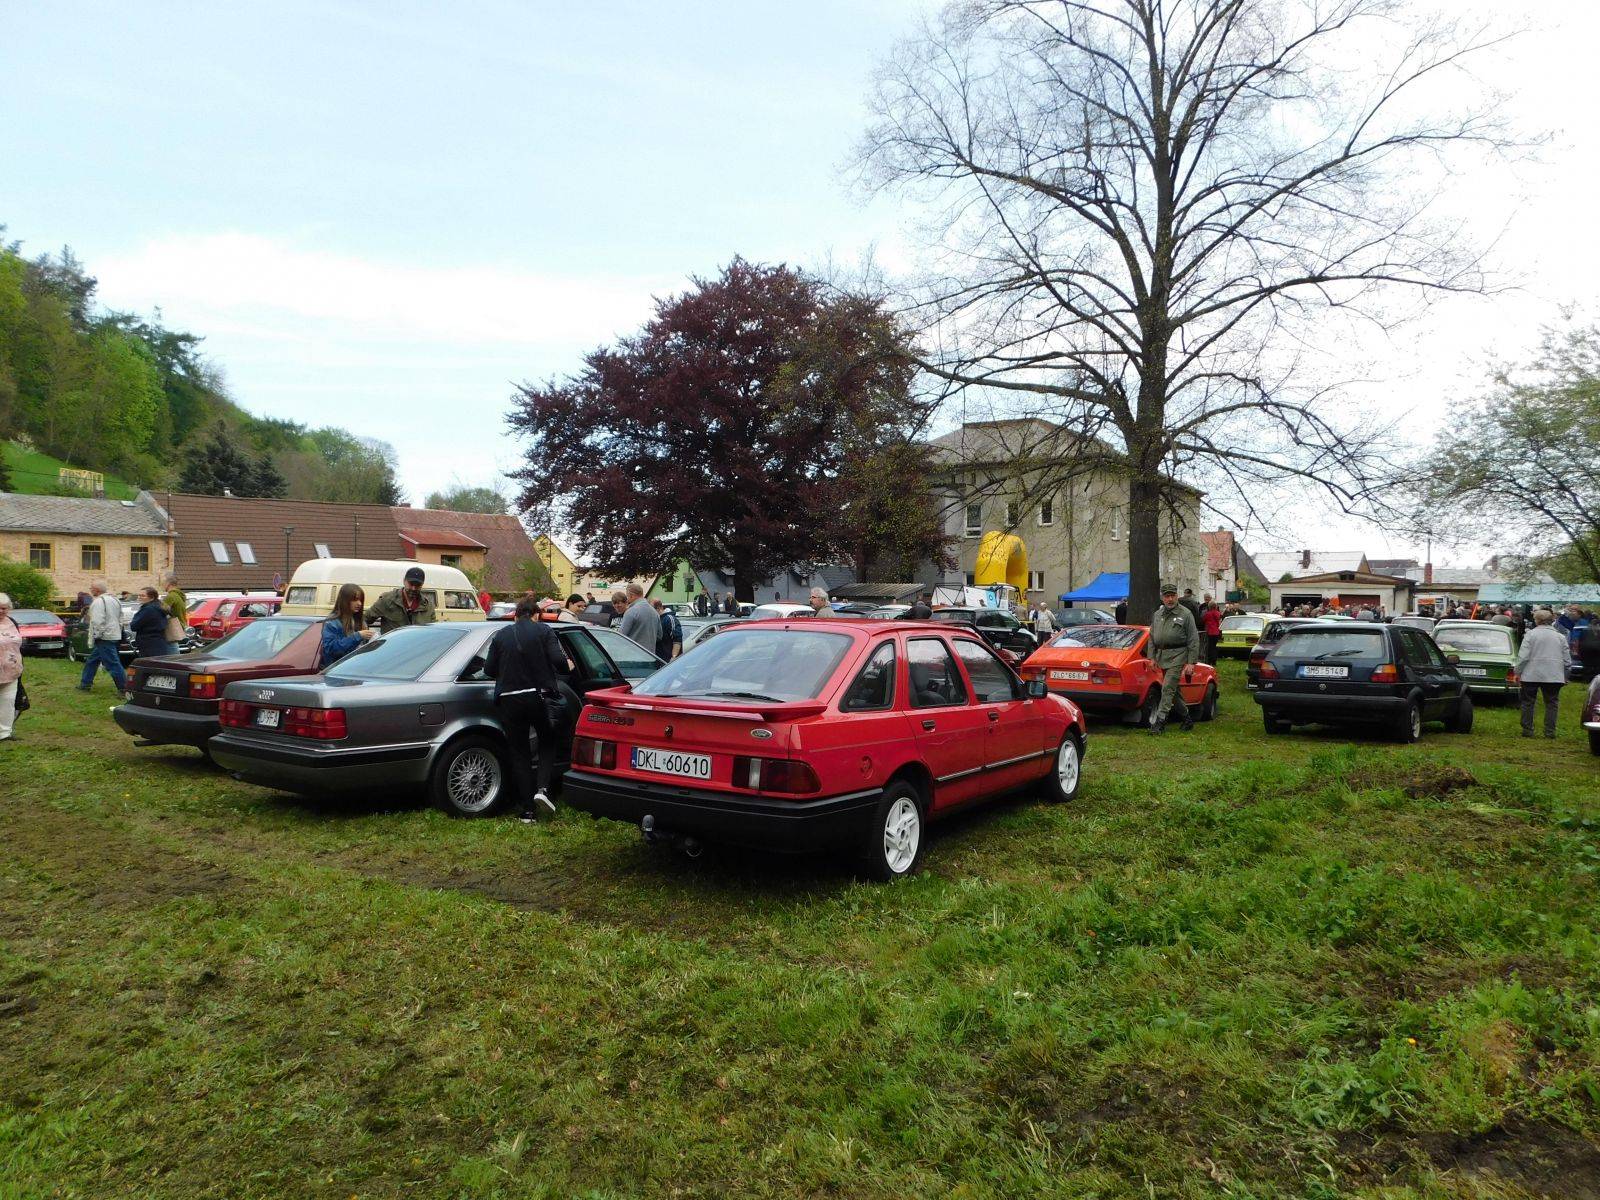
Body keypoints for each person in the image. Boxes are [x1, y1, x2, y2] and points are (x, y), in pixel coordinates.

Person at [484, 596, 569, 821]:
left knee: (519, 752)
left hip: (509, 699)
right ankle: (542, 789)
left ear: (515, 616)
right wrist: (567, 665)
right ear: (536, 615)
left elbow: (489, 669)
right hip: (538, 696)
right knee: (547, 741)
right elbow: (558, 661)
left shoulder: (501, 635)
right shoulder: (544, 630)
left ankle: (527, 811)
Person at [1149, 583, 1199, 734]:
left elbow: (1193, 639)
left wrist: (1191, 662)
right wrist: (1151, 657)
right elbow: (1151, 637)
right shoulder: (1158, 614)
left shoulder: (1185, 614)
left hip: (1178, 655)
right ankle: (1187, 718)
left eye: (1172, 596)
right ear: (1162, 598)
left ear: (1177, 596)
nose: (1170, 599)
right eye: (1167, 596)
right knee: (1173, 691)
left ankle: (1160, 721)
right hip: (1162, 656)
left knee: (1167, 688)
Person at [1515, 608, 1570, 739]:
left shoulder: (1530, 635)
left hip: (1531, 673)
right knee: (1552, 703)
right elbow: (1567, 660)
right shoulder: (1560, 637)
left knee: (1528, 702)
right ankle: (1550, 731)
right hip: (1554, 674)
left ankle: (1527, 729)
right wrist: (1565, 674)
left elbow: (1523, 656)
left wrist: (1518, 671)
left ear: (1537, 620)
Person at [78, 581, 127, 694]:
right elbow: (121, 618)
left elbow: (97, 621)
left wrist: (98, 635)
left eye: (91, 588)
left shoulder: (98, 602)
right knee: (92, 661)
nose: (90, 589)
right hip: (113, 635)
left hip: (104, 637)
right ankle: (85, 683)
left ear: (97, 590)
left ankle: (124, 688)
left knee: (112, 663)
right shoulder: (115, 600)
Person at [366, 567, 437, 632]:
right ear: (404, 581)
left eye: (417, 585)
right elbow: (365, 619)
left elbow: (433, 631)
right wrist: (365, 636)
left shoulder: (428, 606)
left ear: (422, 585)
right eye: (411, 584)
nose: (413, 588)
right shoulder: (387, 600)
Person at [321, 583, 376, 666]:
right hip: (338, 669)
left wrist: (373, 641)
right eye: (355, 600)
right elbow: (330, 649)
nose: (359, 603)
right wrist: (357, 636)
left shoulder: (361, 621)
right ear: (345, 601)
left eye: (361, 600)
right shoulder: (332, 622)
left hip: (357, 668)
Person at [0, 593, 23, 741]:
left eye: (4, 608)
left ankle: (5, 733)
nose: (1, 611)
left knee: (8, 702)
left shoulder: (12, 622)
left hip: (11, 670)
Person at [128, 587, 173, 658]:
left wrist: (134, 618)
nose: (139, 597)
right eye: (139, 595)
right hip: (158, 642)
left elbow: (133, 626)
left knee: (152, 663)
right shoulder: (158, 606)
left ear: (152, 598)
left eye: (143, 596)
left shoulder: (148, 609)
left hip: (149, 644)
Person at [618, 582, 660, 648]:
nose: (627, 599)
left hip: (633, 652)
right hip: (650, 653)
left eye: (627, 596)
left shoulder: (631, 611)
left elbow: (621, 636)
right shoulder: (655, 612)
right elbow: (659, 636)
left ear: (631, 595)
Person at [163, 573, 188, 644]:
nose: (162, 585)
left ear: (168, 584)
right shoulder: (179, 595)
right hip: (181, 626)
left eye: (163, 582)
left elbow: (162, 612)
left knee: (171, 649)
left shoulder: (171, 596)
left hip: (173, 629)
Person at [1200, 599, 1222, 664]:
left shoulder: (1207, 614)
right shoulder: (1218, 613)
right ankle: (1214, 660)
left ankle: (1209, 660)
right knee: (1214, 646)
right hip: (1216, 632)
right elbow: (1219, 622)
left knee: (1209, 647)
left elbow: (1203, 620)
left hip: (1209, 632)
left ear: (1209, 606)